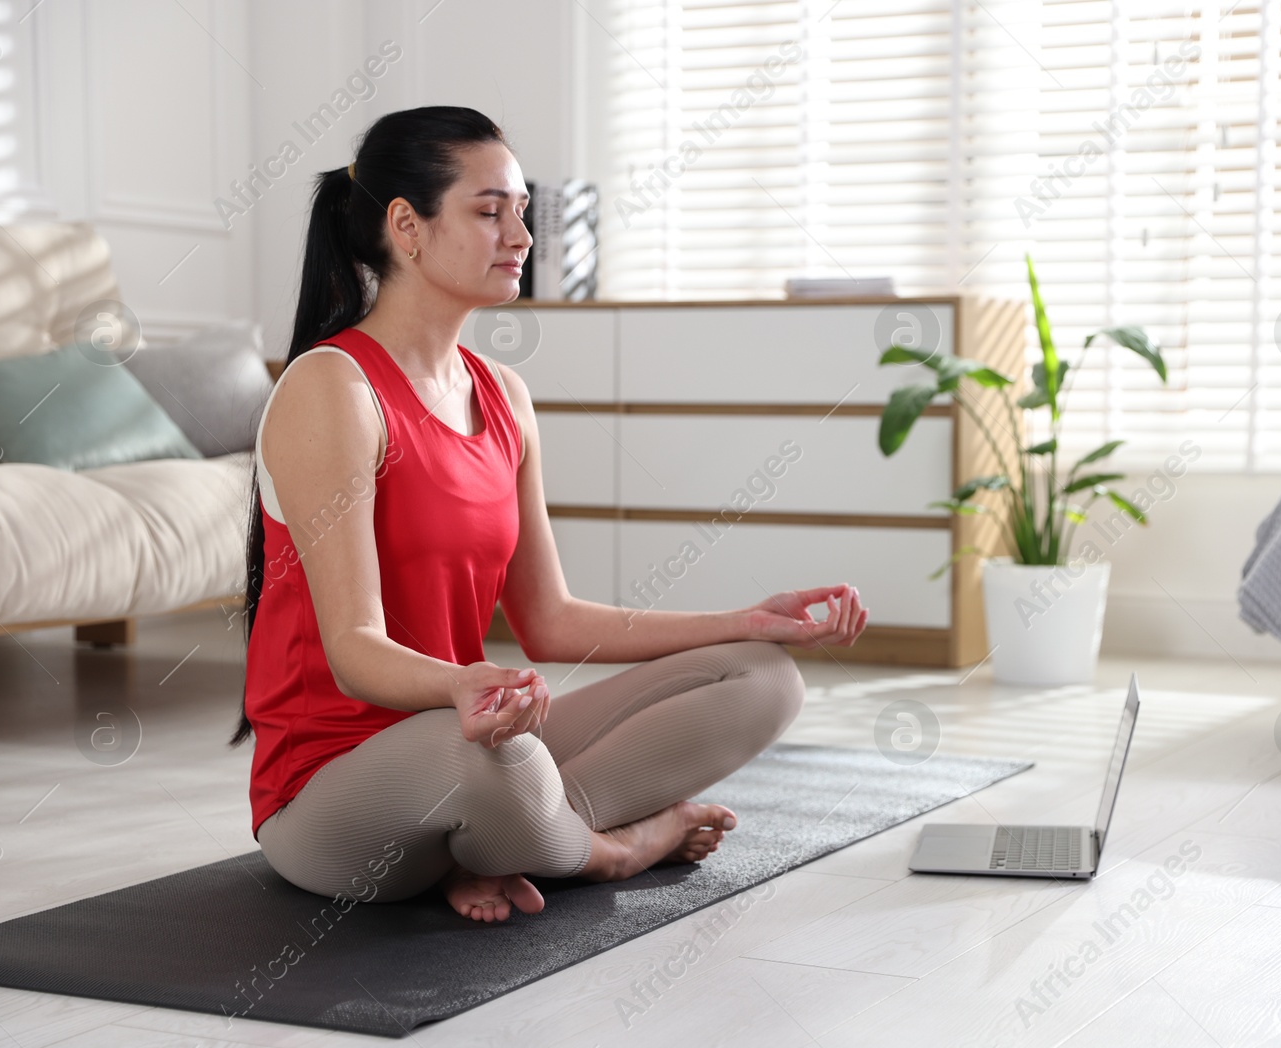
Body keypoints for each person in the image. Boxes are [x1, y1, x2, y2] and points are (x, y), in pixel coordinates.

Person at [230, 106, 869, 923]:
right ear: (407, 227)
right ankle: (609, 847)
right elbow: (355, 653)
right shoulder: (334, 390)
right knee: (496, 764)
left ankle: (500, 842)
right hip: (331, 792)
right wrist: (469, 684)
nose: (520, 236)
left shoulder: (504, 396)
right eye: (490, 211)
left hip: (472, 737)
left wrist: (749, 619)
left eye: (522, 212)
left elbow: (552, 621)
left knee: (763, 678)